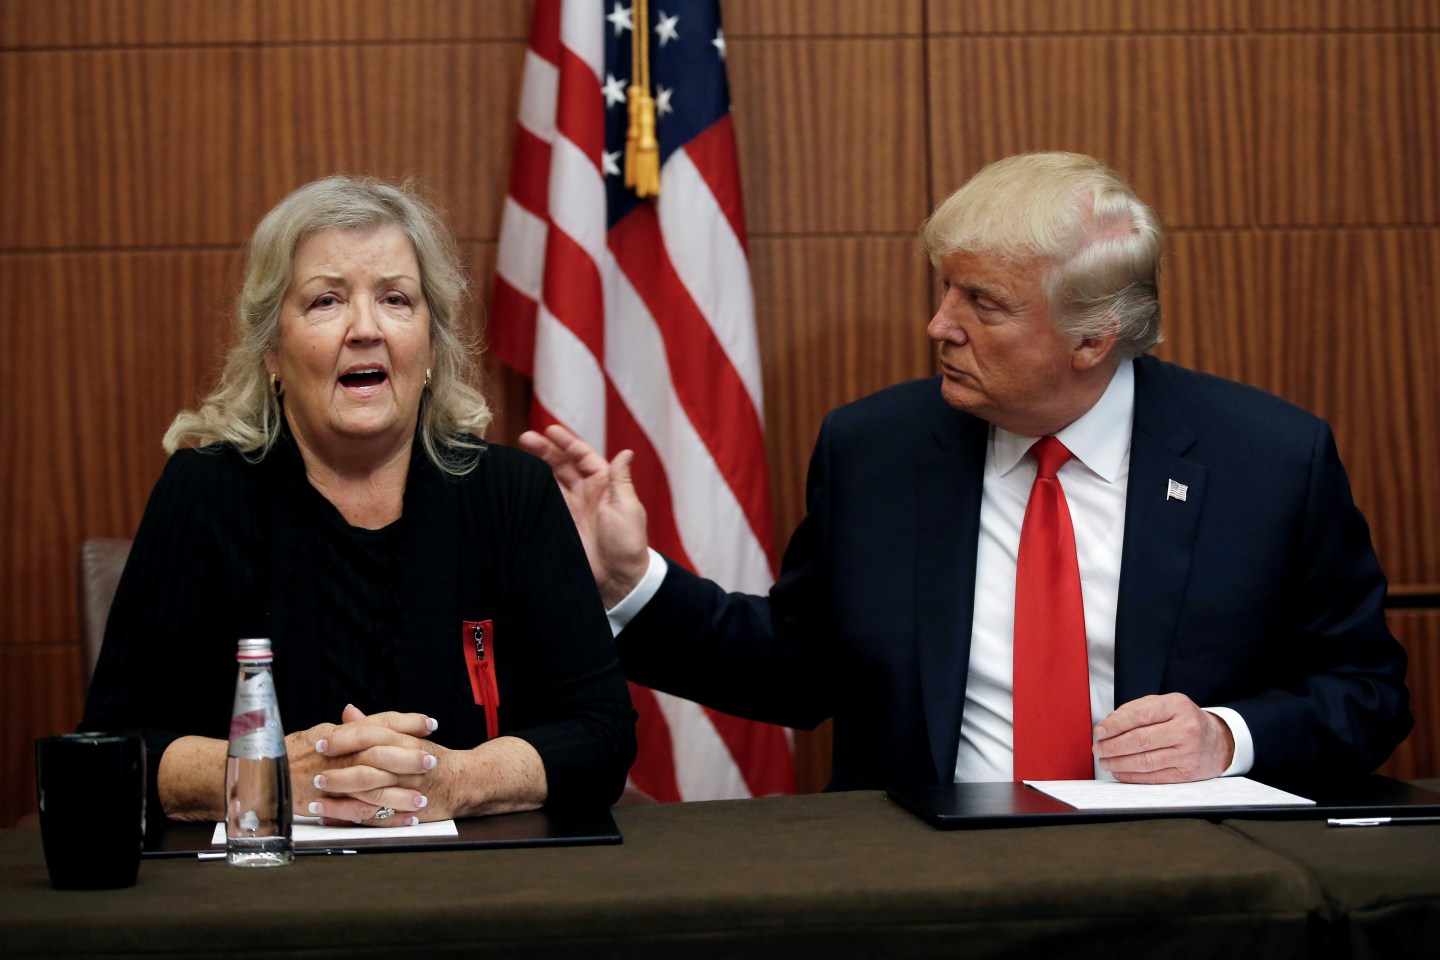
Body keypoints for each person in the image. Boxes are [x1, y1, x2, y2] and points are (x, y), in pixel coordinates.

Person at [520, 152, 1411, 790]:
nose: (939, 326)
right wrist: (632, 582)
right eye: (944, 289)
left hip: (1182, 871)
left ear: (1093, 337)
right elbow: (799, 671)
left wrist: (1227, 737)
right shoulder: (877, 449)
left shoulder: (1267, 460)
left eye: (982, 304)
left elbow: (1367, 693)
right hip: (932, 882)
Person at [83, 176, 636, 827]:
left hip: (480, 892)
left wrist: (455, 779)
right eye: (326, 302)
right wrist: (277, 777)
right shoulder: (204, 494)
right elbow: (112, 750)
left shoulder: (511, 495)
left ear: (431, 344)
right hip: (262, 891)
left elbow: (602, 732)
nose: (366, 329)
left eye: (396, 300)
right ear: (271, 353)